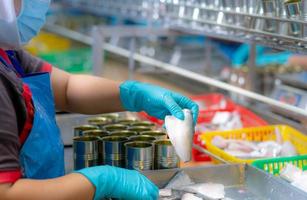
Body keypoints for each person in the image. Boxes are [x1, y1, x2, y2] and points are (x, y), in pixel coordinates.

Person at [0, 0, 199, 199]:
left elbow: (67, 88)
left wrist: (135, 95)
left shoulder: (8, 55)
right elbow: (6, 193)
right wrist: (102, 181)